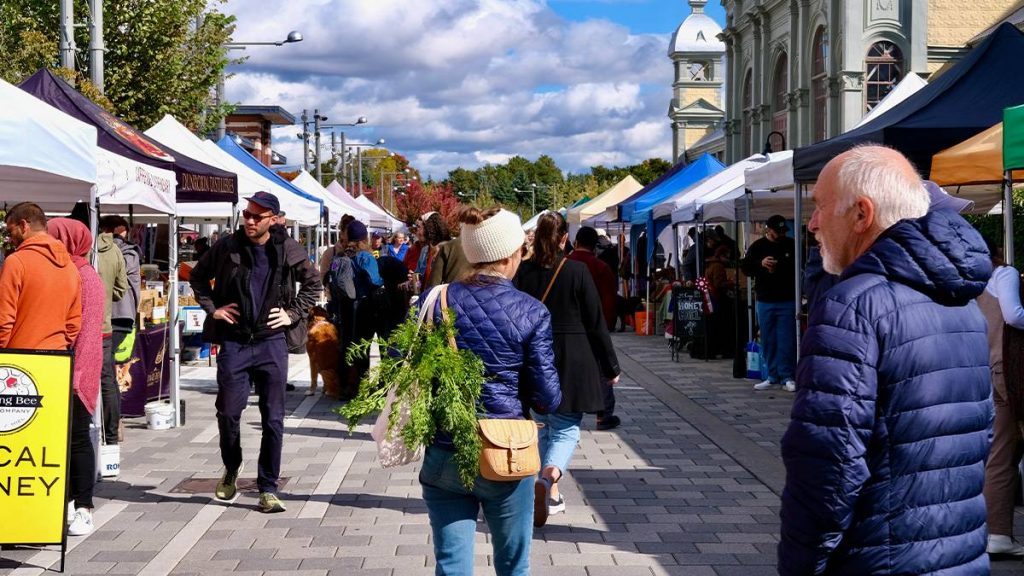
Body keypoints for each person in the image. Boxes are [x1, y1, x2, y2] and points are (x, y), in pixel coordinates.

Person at [779, 145, 993, 575]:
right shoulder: (963, 301)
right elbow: (977, 437)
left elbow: (829, 461)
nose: (812, 223)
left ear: (862, 214)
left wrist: (800, 565)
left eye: (820, 206)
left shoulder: (853, 305)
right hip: (960, 555)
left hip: (880, 559)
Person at [421, 207, 561, 575]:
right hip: (506, 452)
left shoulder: (434, 301)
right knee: (514, 565)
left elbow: (402, 360)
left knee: (451, 565)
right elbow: (548, 399)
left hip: (445, 447)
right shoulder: (531, 312)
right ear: (510, 254)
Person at [189, 191, 320, 513]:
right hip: (234, 341)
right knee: (228, 413)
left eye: (256, 216)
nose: (249, 220)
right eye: (247, 214)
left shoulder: (287, 248)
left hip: (271, 342)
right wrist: (214, 309)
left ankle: (267, 487)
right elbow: (197, 276)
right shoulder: (228, 246)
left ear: (274, 219)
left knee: (273, 419)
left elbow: (315, 283)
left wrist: (292, 313)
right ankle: (232, 465)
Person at [514, 213, 620, 527]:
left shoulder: (523, 272)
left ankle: (552, 495)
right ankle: (547, 481)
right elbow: (595, 322)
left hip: (534, 355)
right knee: (565, 429)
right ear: (564, 239)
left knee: (545, 424)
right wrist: (610, 366)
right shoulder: (577, 270)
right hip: (573, 357)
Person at [47, 218, 104, 537]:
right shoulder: (64, 273)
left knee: (79, 436)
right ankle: (65, 500)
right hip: (58, 368)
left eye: (55, 238)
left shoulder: (85, 276)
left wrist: (76, 374)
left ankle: (84, 507)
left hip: (77, 370)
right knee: (61, 439)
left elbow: (87, 333)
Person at [977, 235, 1024, 558]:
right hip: (1007, 372)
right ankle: (999, 533)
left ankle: (992, 531)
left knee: (996, 452)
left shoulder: (969, 279)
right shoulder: (1003, 273)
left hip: (984, 370)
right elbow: (1014, 315)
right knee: (1003, 454)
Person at [567, 226, 621, 431]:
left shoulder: (564, 265)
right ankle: (603, 415)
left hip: (567, 328)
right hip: (594, 328)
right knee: (602, 371)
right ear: (595, 245)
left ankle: (566, 411)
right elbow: (608, 301)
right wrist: (606, 327)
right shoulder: (601, 267)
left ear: (576, 242)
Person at [740, 214, 796, 392]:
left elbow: (799, 265)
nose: (781, 234)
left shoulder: (791, 244)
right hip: (765, 299)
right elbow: (746, 268)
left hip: (787, 298)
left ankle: (787, 375)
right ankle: (772, 375)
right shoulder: (757, 247)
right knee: (768, 338)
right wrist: (761, 264)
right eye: (777, 231)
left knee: (787, 339)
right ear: (768, 230)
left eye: (782, 231)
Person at [95, 226, 128, 444]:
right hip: (104, 324)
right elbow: (121, 289)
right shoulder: (114, 250)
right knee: (107, 379)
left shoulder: (77, 248)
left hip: (77, 327)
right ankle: (112, 434)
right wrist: (105, 296)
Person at [346, 220, 384, 391]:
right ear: (364, 238)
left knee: (355, 345)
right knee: (369, 344)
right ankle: (369, 386)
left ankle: (354, 384)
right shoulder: (365, 256)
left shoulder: (343, 255)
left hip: (348, 303)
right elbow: (374, 280)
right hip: (366, 303)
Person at [100, 216, 142, 369]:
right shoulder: (127, 252)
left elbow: (113, 268)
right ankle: (113, 393)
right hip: (113, 315)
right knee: (107, 365)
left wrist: (114, 239)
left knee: (106, 363)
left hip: (120, 315)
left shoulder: (129, 253)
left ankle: (111, 393)